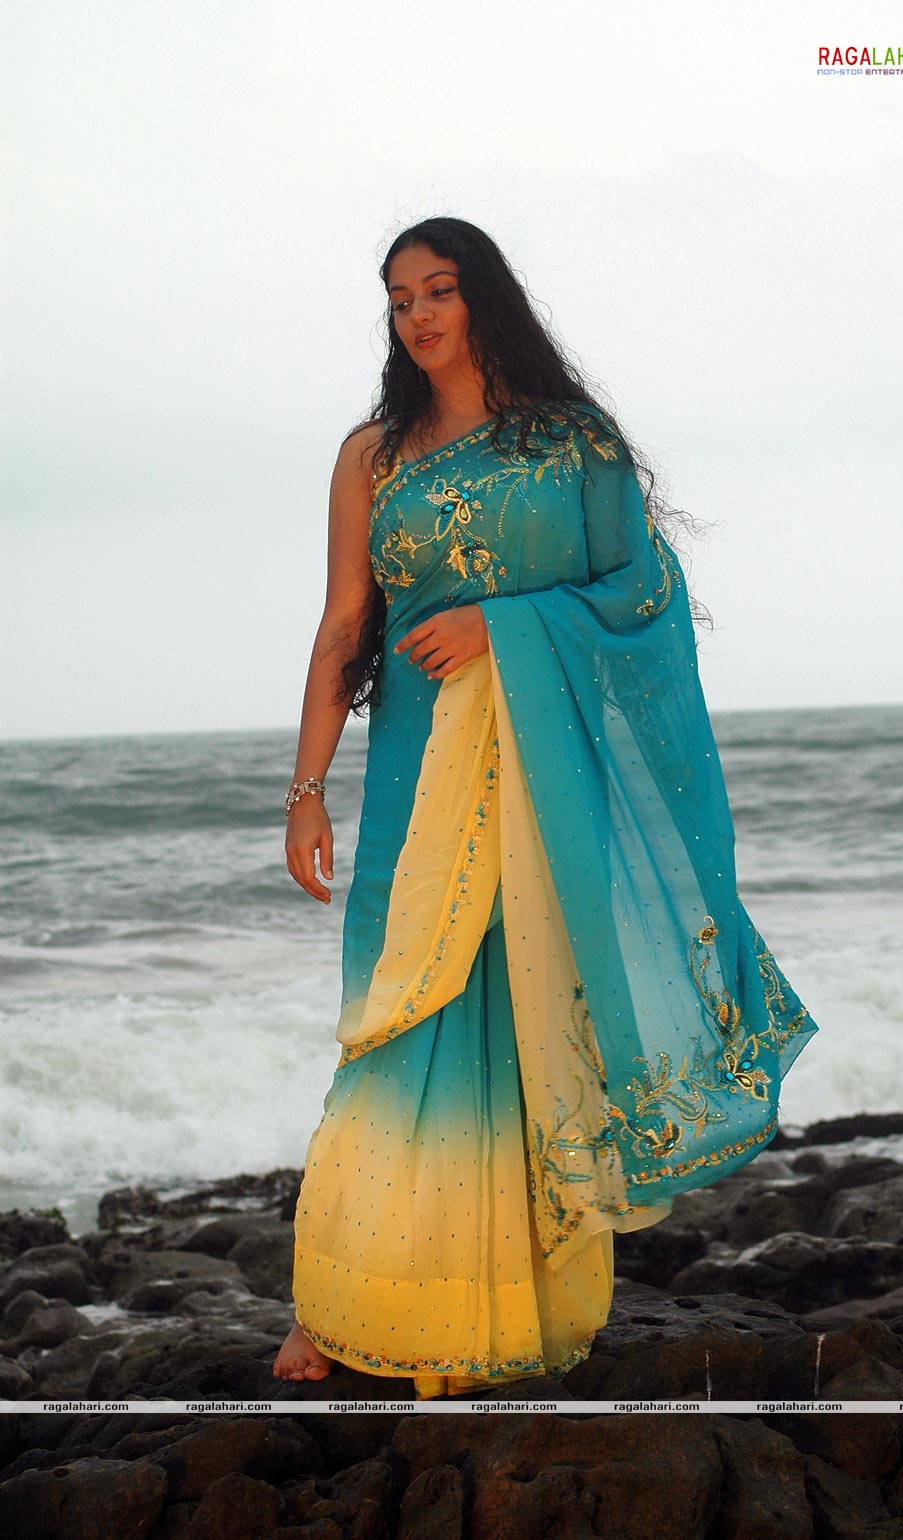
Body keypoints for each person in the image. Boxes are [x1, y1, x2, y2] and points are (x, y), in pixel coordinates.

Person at [272, 217, 818, 1398]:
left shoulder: (572, 443)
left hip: (542, 781)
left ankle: (503, 1302)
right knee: (398, 1010)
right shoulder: (373, 455)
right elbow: (345, 623)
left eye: (439, 290)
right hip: (418, 773)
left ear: (485, 299)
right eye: (400, 298)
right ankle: (339, 1301)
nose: (419, 315)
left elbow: (641, 595)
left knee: (526, 1023)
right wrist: (306, 788)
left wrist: (502, 624)